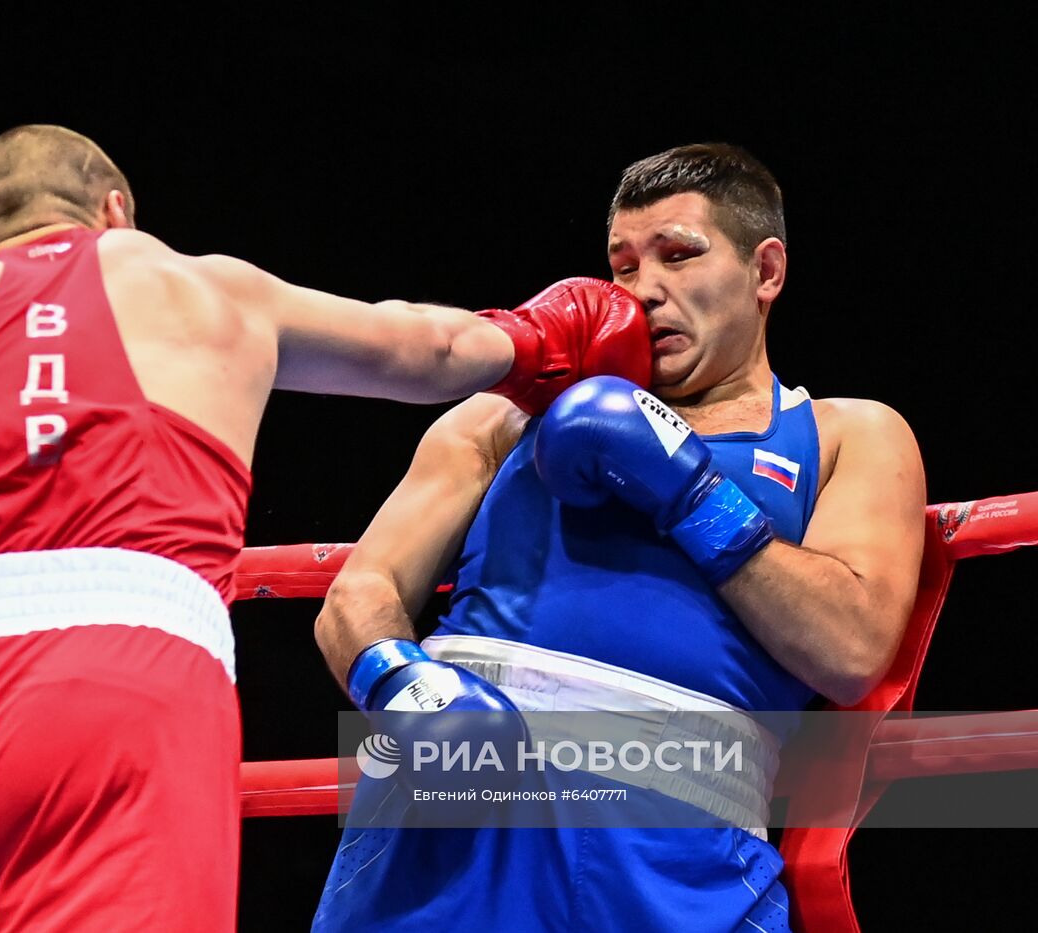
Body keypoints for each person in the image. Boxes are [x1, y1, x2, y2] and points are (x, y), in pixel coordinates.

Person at [0, 124, 651, 932]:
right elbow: (433, 348)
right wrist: (540, 341)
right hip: (122, 702)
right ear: (117, 211)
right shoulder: (197, 286)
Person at [312, 143, 926, 932]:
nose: (645, 292)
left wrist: (689, 491)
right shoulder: (501, 419)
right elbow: (358, 594)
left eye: (679, 255)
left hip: (678, 851)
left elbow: (851, 648)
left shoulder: (846, 433)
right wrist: (408, 689)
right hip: (455, 798)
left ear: (765, 271)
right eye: (624, 265)